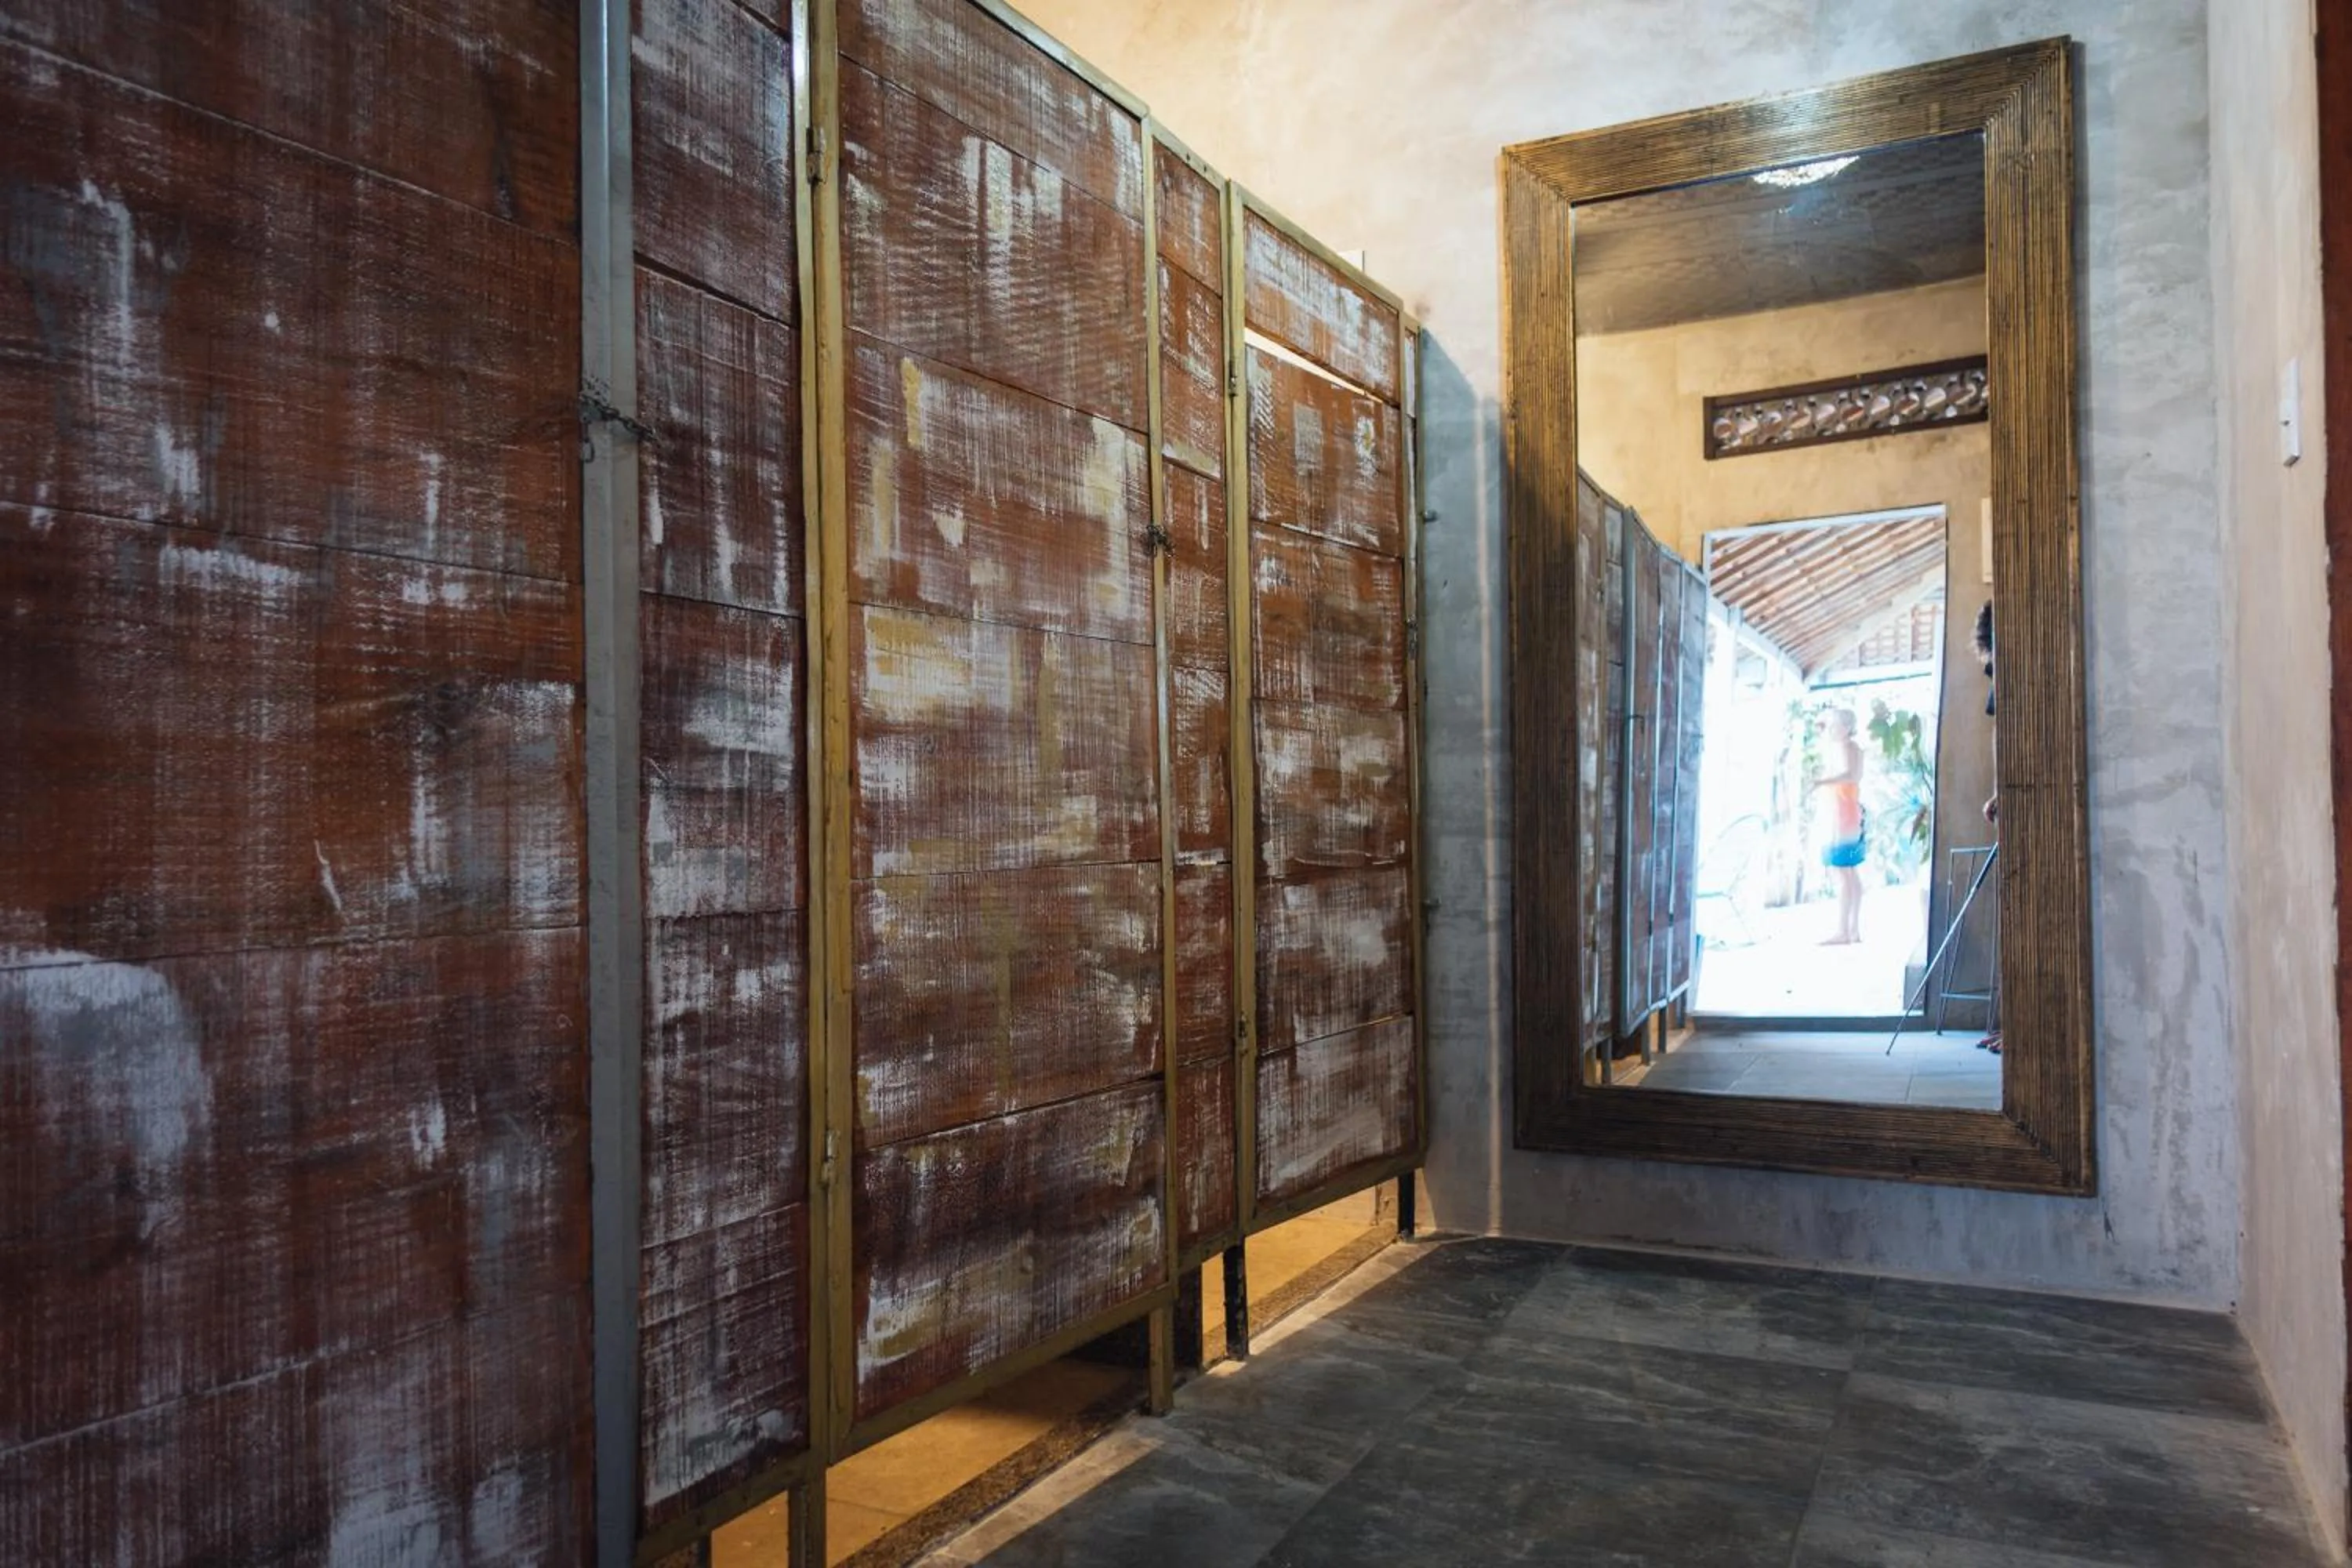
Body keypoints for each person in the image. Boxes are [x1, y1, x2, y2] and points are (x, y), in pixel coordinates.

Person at [1813, 706, 1867, 946]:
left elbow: (1849, 775)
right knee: (1849, 873)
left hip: (1843, 815)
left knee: (1843, 873)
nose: (1832, 730)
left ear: (1846, 728)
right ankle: (1852, 929)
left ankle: (1843, 930)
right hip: (1849, 813)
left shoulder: (1846, 747)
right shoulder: (1854, 748)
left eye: (1835, 725)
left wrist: (1821, 781)